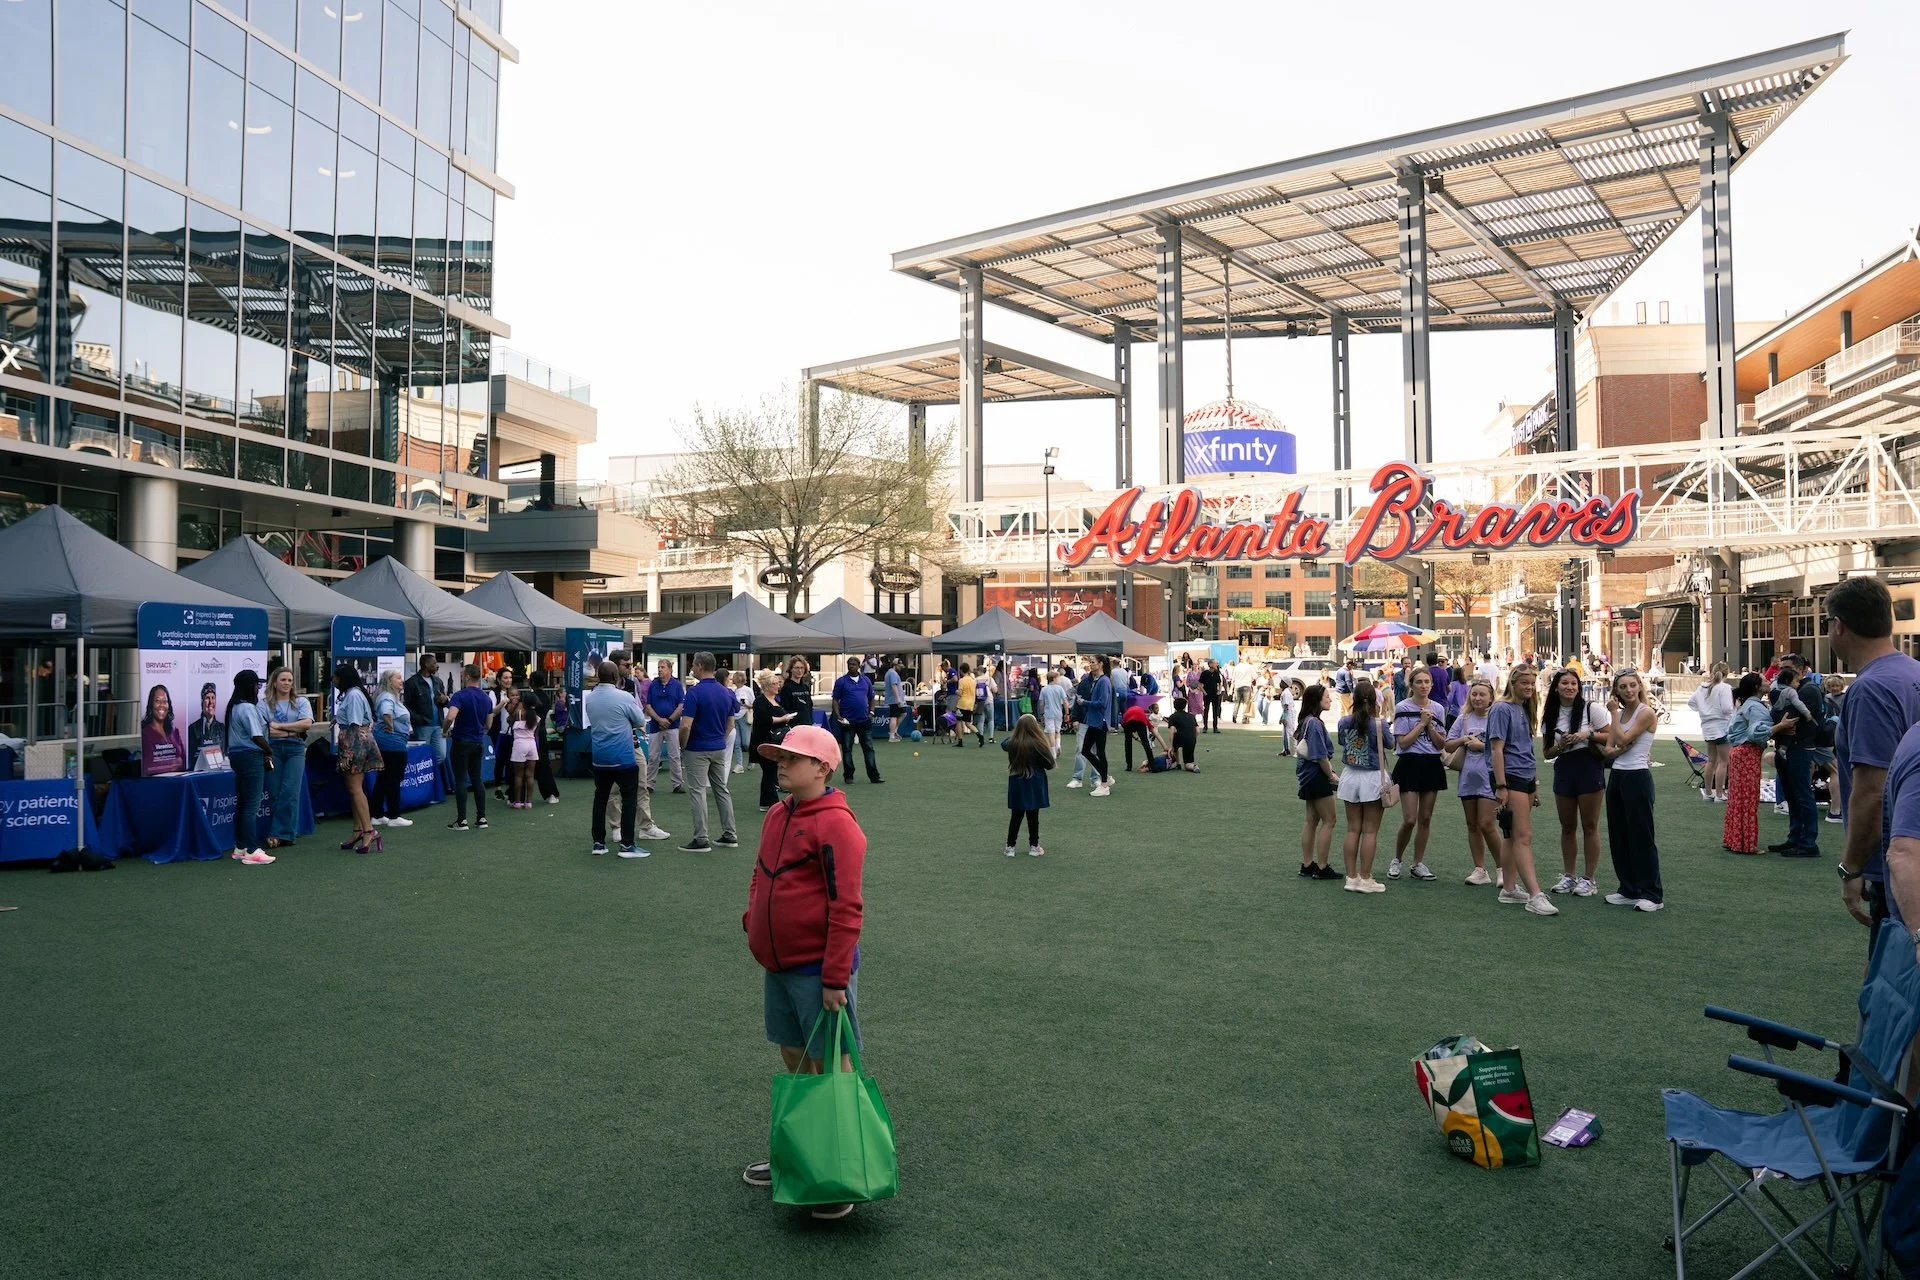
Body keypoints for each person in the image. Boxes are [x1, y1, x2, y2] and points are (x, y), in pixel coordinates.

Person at [740, 724, 870, 1221]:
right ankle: (801, 1154)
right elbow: (760, 871)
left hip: (818, 971)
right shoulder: (778, 812)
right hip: (778, 963)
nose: (781, 763)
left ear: (822, 767)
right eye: (779, 756)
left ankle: (839, 1175)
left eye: (792, 758)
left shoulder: (837, 823)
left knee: (830, 1066)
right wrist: (755, 918)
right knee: (794, 1055)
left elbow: (848, 906)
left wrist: (835, 976)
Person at [1827, 577, 1920, 943]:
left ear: (1838, 625)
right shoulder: (1912, 672)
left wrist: (1850, 868)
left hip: (1895, 862)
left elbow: (1871, 792)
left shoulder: (1871, 689)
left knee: (1893, 985)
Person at [1488, 666, 1556, 915]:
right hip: (1511, 777)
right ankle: (1535, 895)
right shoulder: (1501, 708)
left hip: (1525, 776)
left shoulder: (1523, 709)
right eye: (1524, 683)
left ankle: (1509, 888)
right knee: (1523, 836)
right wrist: (1501, 785)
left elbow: (1526, 748)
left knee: (1511, 835)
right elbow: (1497, 749)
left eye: (1532, 683)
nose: (1529, 687)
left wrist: (1535, 783)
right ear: (1513, 683)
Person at [1594, 671, 1662, 910]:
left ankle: (1652, 894)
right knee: (1619, 835)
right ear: (1617, 690)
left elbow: (1619, 742)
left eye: (1633, 685)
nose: (1629, 690)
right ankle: (1629, 888)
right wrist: (1619, 745)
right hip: (1618, 776)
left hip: (1637, 776)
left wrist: (1613, 718)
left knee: (1641, 836)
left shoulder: (1646, 712)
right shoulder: (1621, 714)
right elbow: (1609, 749)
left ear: (1639, 687)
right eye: (1623, 686)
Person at [1541, 666, 1608, 897]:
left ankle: (1589, 879)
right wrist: (1561, 746)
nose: (1570, 687)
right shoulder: (1550, 714)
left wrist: (1586, 734)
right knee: (1567, 826)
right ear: (1556, 687)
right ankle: (1569, 876)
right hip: (1565, 768)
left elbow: (1611, 736)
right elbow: (1546, 753)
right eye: (1564, 683)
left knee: (1590, 825)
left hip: (1589, 766)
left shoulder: (1592, 709)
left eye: (1573, 683)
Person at [584, 659, 651, 857]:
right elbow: (639, 720)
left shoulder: (591, 698)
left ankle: (598, 843)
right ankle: (627, 845)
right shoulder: (623, 696)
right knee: (629, 798)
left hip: (599, 757)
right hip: (623, 756)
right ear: (615, 677)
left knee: (601, 798)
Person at [1387, 666, 1448, 881]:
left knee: (1425, 818)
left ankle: (1417, 863)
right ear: (1411, 685)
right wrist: (1421, 724)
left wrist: (1430, 726)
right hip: (1409, 762)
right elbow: (1402, 742)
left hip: (1431, 763)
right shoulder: (1403, 707)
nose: (1423, 686)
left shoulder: (1438, 708)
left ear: (1432, 684)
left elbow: (1443, 744)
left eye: (1427, 682)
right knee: (1410, 818)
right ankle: (1397, 859)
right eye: (1419, 682)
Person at [678, 651, 742, 853]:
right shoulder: (726, 692)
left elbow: (686, 726)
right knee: (721, 790)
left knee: (698, 791)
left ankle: (701, 838)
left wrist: (683, 746)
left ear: (699, 666)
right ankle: (729, 834)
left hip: (697, 748)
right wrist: (719, 740)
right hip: (717, 748)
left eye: (694, 665)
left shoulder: (694, 693)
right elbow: (731, 724)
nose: (692, 668)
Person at [1336, 677, 1394, 893]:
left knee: (1352, 829)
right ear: (1373, 699)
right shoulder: (1378, 724)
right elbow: (1390, 744)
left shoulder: (1344, 721)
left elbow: (1343, 741)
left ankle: (1351, 877)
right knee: (1370, 831)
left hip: (1350, 775)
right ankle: (1367, 878)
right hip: (1372, 777)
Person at [1447, 677, 1505, 886]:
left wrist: (1482, 746)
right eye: (1474, 694)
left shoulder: (1497, 716)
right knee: (1472, 825)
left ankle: (1502, 868)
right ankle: (1480, 869)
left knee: (1487, 824)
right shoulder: (1463, 718)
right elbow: (1448, 743)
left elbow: (1506, 747)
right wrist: (1464, 740)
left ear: (1491, 697)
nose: (1478, 698)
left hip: (1489, 778)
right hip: (1468, 778)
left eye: (1482, 694)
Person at [1770, 656, 1824, 858]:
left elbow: (1789, 717)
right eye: (1780, 668)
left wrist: (1778, 724)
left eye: (1787, 668)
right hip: (1790, 746)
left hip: (1800, 747)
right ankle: (1795, 838)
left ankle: (1808, 842)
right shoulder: (1791, 689)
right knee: (1793, 795)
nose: (1781, 672)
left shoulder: (1808, 690)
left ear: (1800, 670)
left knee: (1802, 795)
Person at [224, 670, 274, 865]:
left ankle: (241, 847)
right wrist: (269, 751)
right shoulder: (248, 708)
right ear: (250, 686)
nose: (258, 689)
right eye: (257, 685)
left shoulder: (234, 707)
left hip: (237, 756)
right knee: (251, 806)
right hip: (251, 756)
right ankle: (252, 850)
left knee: (243, 804)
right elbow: (257, 736)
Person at [331, 663, 382, 852]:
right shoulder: (356, 694)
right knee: (355, 789)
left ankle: (368, 831)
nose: (333, 680)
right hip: (360, 741)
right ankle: (358, 830)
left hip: (353, 743)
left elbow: (354, 725)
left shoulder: (352, 695)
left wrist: (347, 754)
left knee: (355, 789)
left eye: (335, 676)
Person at [1722, 672, 1772, 855]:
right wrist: (1779, 727)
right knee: (1748, 799)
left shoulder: (1745, 705)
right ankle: (1746, 844)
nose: (1769, 681)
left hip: (1737, 753)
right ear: (1758, 687)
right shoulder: (1756, 707)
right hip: (1747, 754)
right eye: (1765, 681)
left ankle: (1733, 839)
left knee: (1737, 798)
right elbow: (1756, 733)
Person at [263, 669, 312, 849]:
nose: (286, 683)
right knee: (275, 793)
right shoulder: (264, 704)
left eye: (290, 680)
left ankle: (278, 833)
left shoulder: (301, 701)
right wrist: (293, 729)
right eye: (283, 679)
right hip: (272, 749)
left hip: (295, 749)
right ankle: (287, 833)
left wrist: (281, 727)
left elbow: (307, 724)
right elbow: (266, 730)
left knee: (290, 791)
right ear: (274, 682)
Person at [1295, 684, 1340, 879]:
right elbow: (1320, 755)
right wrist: (1331, 775)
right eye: (1327, 696)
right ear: (1317, 700)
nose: (1330, 699)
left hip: (1307, 777)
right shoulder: (1314, 723)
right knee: (1329, 820)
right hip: (1316, 776)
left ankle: (1308, 864)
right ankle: (1322, 867)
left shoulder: (1307, 720)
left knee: (1312, 820)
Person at [442, 663, 493, 832]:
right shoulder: (486, 698)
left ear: (467, 677)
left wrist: (445, 730)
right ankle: (482, 817)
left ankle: (462, 820)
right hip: (478, 742)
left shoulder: (460, 696)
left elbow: (450, 716)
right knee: (477, 779)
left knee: (460, 780)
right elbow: (489, 723)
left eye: (463, 675)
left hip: (461, 742)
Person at [1002, 712, 1054, 857]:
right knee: (1033, 815)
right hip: (1034, 782)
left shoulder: (1012, 743)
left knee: (1016, 815)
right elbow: (1049, 764)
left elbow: (1004, 743)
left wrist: (1017, 733)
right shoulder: (1038, 744)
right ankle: (1034, 846)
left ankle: (1010, 847)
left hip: (1017, 781)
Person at [829, 657, 884, 786]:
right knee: (847, 749)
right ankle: (848, 776)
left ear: (859, 666)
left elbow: (872, 698)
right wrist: (838, 716)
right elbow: (835, 700)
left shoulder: (866, 681)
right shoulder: (841, 682)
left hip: (864, 720)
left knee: (869, 748)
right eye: (850, 664)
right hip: (848, 721)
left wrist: (871, 712)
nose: (851, 666)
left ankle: (874, 776)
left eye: (854, 664)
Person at [372, 669, 415, 828]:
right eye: (398, 678)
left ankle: (377, 814)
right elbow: (386, 713)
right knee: (394, 778)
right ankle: (394, 815)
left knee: (384, 778)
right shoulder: (388, 697)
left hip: (390, 742)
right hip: (393, 743)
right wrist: (390, 726)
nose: (401, 680)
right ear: (389, 681)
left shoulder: (389, 696)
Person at [1689, 662, 1736, 802]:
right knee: (1723, 762)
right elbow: (1727, 708)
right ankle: (1720, 794)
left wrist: (1704, 711)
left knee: (1711, 761)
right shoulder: (1725, 687)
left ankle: (1709, 792)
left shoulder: (1701, 687)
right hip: (1721, 727)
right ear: (1726, 674)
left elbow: (1691, 703)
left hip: (1707, 728)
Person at [752, 670, 797, 811]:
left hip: (775, 741)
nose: (778, 686)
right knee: (769, 771)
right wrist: (783, 719)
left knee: (770, 772)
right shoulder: (760, 701)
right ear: (766, 686)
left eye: (778, 683)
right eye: (775, 684)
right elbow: (763, 719)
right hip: (764, 741)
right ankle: (771, 802)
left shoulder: (775, 700)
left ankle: (767, 802)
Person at [643, 658, 686, 795]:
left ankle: (677, 784)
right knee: (653, 756)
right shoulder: (653, 684)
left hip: (673, 725)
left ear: (670, 669)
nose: (660, 669)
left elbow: (681, 705)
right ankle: (649, 784)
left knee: (675, 755)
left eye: (662, 667)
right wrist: (660, 720)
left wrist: (669, 719)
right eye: (659, 667)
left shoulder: (677, 685)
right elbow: (648, 706)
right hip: (656, 726)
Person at [1077, 657, 1114, 796]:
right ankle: (1106, 777)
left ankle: (1104, 785)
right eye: (1090, 662)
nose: (1090, 664)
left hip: (1100, 721)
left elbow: (1102, 703)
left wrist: (1085, 703)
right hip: (1094, 721)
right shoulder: (1099, 680)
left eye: (1093, 662)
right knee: (1086, 750)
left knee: (1099, 752)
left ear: (1100, 664)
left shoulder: (1103, 681)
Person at [404, 656, 447, 767]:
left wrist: (445, 700)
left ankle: (431, 774)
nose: (437, 666)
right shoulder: (412, 682)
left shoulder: (438, 681)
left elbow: (445, 701)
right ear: (426, 664)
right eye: (434, 663)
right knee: (422, 755)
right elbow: (406, 706)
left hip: (438, 724)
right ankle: (426, 778)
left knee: (441, 755)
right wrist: (418, 719)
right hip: (423, 726)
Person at [139, 683, 188, 776]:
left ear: (168, 705)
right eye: (157, 701)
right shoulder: (145, 733)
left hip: (178, 781)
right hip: (157, 784)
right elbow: (149, 765)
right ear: (151, 705)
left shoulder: (174, 731)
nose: (161, 705)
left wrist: (179, 762)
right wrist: (173, 762)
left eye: (165, 701)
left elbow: (185, 760)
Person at [507, 700, 541, 809]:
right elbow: (536, 734)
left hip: (519, 744)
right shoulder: (535, 717)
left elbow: (509, 720)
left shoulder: (518, 714)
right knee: (530, 775)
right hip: (532, 744)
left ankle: (517, 802)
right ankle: (529, 802)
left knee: (518, 775)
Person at [187, 682, 225, 766]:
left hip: (218, 772)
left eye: (213, 698)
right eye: (207, 698)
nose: (211, 702)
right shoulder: (193, 728)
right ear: (202, 701)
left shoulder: (222, 728)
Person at [1163, 694, 1200, 772]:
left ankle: (1177, 763)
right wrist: (1193, 738)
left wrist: (1171, 746)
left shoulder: (1173, 716)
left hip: (1180, 737)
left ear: (1174, 706)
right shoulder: (1191, 716)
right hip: (1191, 739)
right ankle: (1193, 766)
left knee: (1175, 742)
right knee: (1188, 763)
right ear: (1185, 706)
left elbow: (1172, 731)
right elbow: (1198, 730)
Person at [1037, 664, 1069, 754]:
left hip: (1048, 713)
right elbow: (1065, 701)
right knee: (1057, 730)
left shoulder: (1044, 689)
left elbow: (1041, 703)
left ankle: (1053, 752)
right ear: (1054, 678)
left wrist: (1042, 714)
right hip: (1058, 713)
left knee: (1050, 732)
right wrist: (1067, 713)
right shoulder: (1060, 689)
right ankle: (1058, 745)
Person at [1119, 699, 1156, 773]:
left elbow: (1123, 724)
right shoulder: (1141, 713)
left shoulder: (1127, 713)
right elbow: (1150, 727)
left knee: (1128, 744)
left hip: (1127, 721)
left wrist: (1133, 737)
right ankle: (1153, 767)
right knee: (1146, 743)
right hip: (1140, 720)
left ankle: (1129, 766)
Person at [729, 670, 755, 772]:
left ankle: (751, 758)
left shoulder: (748, 690)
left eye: (734, 677)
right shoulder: (734, 691)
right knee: (737, 743)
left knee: (746, 743)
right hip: (735, 717)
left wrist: (745, 705)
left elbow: (754, 704)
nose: (732, 679)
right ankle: (739, 764)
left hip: (744, 717)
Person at [953, 662, 981, 746]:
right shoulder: (973, 681)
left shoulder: (961, 680)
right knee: (968, 723)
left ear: (961, 671)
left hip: (962, 704)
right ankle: (980, 736)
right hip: (970, 704)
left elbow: (960, 693)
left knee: (958, 721)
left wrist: (956, 691)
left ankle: (960, 741)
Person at [883, 659, 907, 742]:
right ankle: (892, 736)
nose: (900, 668)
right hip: (894, 699)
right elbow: (894, 686)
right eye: (899, 666)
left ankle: (894, 731)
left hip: (895, 699)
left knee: (903, 713)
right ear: (895, 665)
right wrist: (898, 698)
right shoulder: (892, 673)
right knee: (894, 716)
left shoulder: (891, 673)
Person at [1199, 659, 1224, 733]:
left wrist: (1219, 690)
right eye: (1214, 663)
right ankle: (1205, 726)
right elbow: (1200, 684)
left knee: (1215, 710)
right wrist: (1204, 692)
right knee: (1206, 710)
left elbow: (1219, 683)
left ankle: (1215, 727)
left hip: (1215, 694)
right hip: (1207, 694)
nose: (1216, 664)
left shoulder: (1216, 673)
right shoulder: (1205, 673)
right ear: (1210, 664)